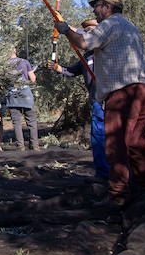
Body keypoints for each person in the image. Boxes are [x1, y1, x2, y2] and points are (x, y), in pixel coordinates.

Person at [56, 0, 145, 205]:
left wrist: (65, 30)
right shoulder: (129, 26)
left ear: (107, 7)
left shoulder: (110, 24)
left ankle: (118, 195)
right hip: (143, 91)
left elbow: (83, 42)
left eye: (97, 6)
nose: (94, 11)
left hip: (122, 94)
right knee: (137, 143)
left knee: (116, 144)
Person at [47, 19, 110, 180]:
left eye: (91, 30)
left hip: (112, 98)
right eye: (86, 30)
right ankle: (103, 172)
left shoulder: (107, 49)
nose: (88, 32)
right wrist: (57, 67)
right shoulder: (86, 57)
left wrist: (67, 27)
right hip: (95, 100)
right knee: (97, 135)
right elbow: (70, 71)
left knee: (115, 134)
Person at [0, 48, 38, 151]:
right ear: (15, 51)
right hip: (26, 94)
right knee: (32, 122)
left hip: (12, 96)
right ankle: (35, 146)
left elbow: (1, 83)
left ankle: (20, 146)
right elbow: (33, 78)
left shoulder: (4, 65)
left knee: (17, 123)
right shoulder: (24, 62)